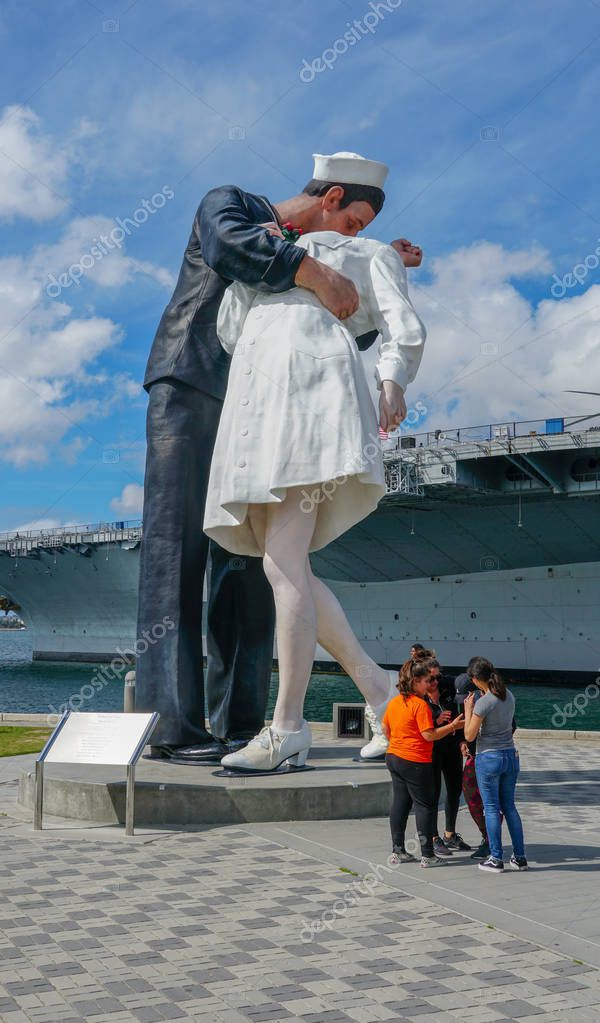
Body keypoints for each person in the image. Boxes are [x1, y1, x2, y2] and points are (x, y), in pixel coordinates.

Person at [136, 150, 418, 763]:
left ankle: (243, 724)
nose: (354, 237)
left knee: (252, 571)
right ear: (332, 198)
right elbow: (231, 247)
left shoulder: (331, 252)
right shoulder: (232, 202)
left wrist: (369, 267)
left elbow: (339, 328)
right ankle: (172, 727)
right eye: (353, 224)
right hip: (191, 386)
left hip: (264, 404)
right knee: (174, 555)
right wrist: (322, 270)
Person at [382, 658, 465, 866]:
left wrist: (400, 742)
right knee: (425, 806)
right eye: (427, 681)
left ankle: (398, 851)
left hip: (394, 757)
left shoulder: (395, 702)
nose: (430, 684)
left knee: (400, 803)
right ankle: (428, 855)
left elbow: (385, 729)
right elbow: (429, 735)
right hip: (415, 761)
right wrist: (453, 726)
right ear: (415, 681)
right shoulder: (420, 705)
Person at [463, 656, 528, 872]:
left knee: (491, 808)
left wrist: (468, 710)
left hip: (489, 758)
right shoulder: (508, 695)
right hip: (510, 755)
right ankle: (519, 857)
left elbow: (469, 735)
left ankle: (496, 858)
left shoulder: (483, 702)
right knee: (510, 807)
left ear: (475, 679)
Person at [423, 666, 471, 857]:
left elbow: (461, 716)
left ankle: (450, 834)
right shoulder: (419, 699)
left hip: (451, 748)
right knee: (433, 793)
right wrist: (436, 720)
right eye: (431, 678)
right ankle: (434, 837)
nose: (436, 681)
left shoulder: (448, 689)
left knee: (454, 790)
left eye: (438, 677)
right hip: (432, 750)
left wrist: (463, 740)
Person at [455, 670, 490, 860]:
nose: (463, 702)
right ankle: (487, 836)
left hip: (489, 758)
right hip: (474, 757)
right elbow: (466, 735)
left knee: (492, 802)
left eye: (465, 697)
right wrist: (463, 742)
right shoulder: (468, 704)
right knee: (472, 797)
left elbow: (511, 727)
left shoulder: (490, 703)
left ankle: (490, 841)